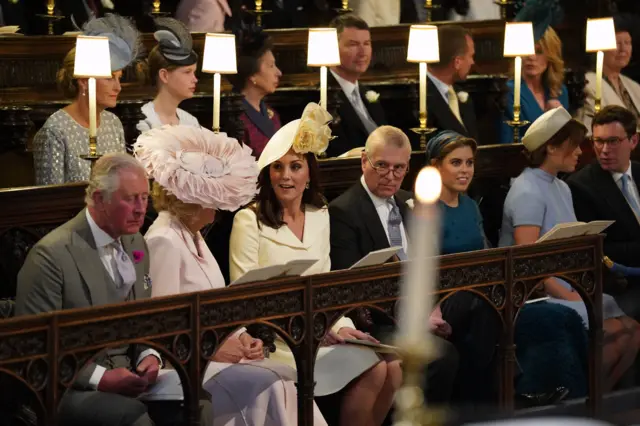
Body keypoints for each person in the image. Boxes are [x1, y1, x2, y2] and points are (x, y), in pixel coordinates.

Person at [135, 124, 325, 426]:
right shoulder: (164, 240)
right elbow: (162, 327)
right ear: (193, 201)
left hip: (215, 354)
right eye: (215, 198)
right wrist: (215, 348)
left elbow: (216, 307)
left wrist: (243, 337)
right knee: (271, 382)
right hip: (187, 367)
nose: (220, 207)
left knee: (288, 377)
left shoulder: (194, 234)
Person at [229, 103, 402, 426]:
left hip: (322, 332)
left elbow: (324, 284)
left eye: (295, 166)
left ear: (309, 173)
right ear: (268, 173)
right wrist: (311, 330)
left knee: (391, 369)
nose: (286, 176)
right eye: (277, 168)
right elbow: (244, 299)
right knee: (377, 369)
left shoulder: (319, 215)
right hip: (277, 342)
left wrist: (341, 327)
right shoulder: (248, 221)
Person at [328, 125, 498, 404]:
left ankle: (480, 408)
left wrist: (433, 307)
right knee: (443, 356)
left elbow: (425, 262)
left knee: (486, 304)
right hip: (380, 316)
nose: (390, 176)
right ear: (364, 161)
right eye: (381, 165)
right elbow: (352, 286)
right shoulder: (344, 211)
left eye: (399, 168)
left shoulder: (408, 200)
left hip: (425, 304)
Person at [427, 130, 578, 404]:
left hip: (480, 291)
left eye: (469, 162)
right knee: (488, 301)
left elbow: (487, 254)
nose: (465, 170)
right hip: (446, 297)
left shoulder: (471, 206)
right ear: (436, 166)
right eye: (456, 162)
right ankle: (504, 394)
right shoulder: (424, 209)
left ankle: (504, 393)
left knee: (503, 299)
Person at [499, 106, 640, 391]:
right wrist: (572, 296)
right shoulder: (527, 190)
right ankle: (582, 401)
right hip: (534, 292)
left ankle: (595, 401)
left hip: (570, 284)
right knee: (615, 333)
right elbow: (528, 262)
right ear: (552, 147)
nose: (581, 152)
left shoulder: (560, 187)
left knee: (634, 332)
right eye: (574, 146)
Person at [15, 153, 161, 426]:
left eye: (144, 197)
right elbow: (32, 347)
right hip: (67, 386)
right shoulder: (51, 255)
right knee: (133, 417)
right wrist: (100, 378)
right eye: (129, 198)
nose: (141, 209)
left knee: (199, 400)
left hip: (130, 375)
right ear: (98, 199)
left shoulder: (136, 243)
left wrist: (148, 355)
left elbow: (144, 316)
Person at [32, 14, 141, 185]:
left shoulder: (113, 123)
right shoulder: (55, 131)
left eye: (119, 78)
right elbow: (50, 198)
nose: (118, 87)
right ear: (84, 81)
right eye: (110, 78)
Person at [567, 105, 640, 320]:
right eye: (598, 141)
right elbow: (597, 249)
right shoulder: (581, 186)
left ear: (633, 141)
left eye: (613, 141)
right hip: (621, 283)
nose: (605, 150)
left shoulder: (638, 172)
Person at [326, 13, 387, 157]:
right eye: (353, 44)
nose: (362, 52)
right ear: (333, 47)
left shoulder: (368, 93)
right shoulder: (322, 97)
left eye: (367, 44)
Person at [500, 27, 569, 143]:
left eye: (539, 51)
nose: (531, 57)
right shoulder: (508, 92)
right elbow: (506, 142)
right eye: (527, 50)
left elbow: (567, 139)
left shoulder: (560, 91)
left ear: (550, 56)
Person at [227, 24, 282, 158]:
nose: (278, 72)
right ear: (252, 74)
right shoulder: (235, 118)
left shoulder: (272, 115)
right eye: (270, 66)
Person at [137, 18, 200, 132]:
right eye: (187, 72)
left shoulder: (191, 122)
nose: (195, 79)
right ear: (164, 75)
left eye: (194, 72)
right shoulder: (144, 120)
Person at [580, 16, 640, 132]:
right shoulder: (588, 84)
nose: (623, 49)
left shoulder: (634, 87)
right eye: (616, 43)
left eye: (627, 43)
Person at [427, 25, 479, 143]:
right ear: (457, 62)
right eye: (470, 56)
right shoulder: (418, 96)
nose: (472, 62)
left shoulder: (460, 94)